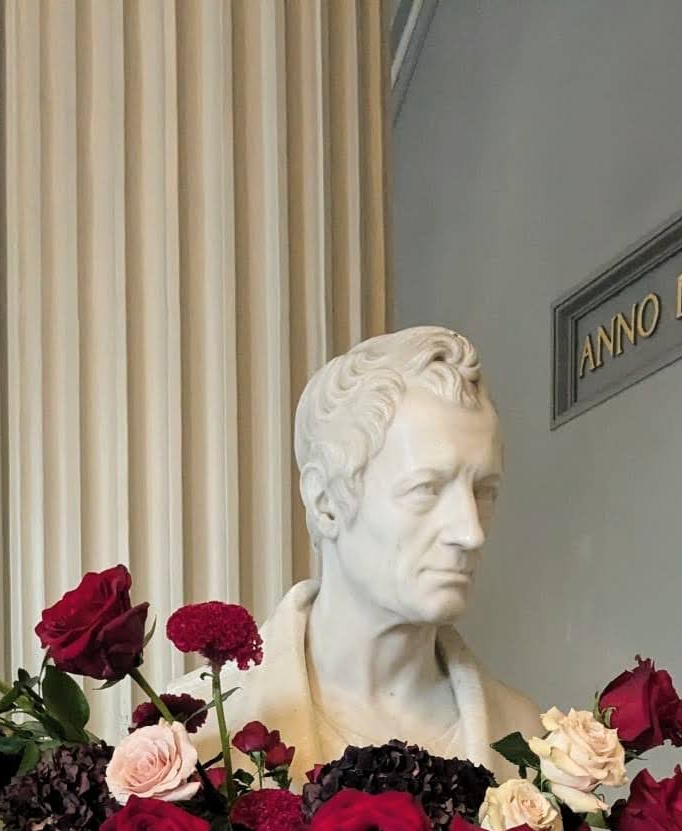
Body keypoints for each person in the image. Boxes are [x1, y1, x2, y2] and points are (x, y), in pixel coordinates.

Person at [215, 326, 541, 785]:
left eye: (484, 491)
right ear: (324, 499)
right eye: (426, 488)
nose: (470, 533)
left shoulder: (529, 738)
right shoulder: (205, 734)